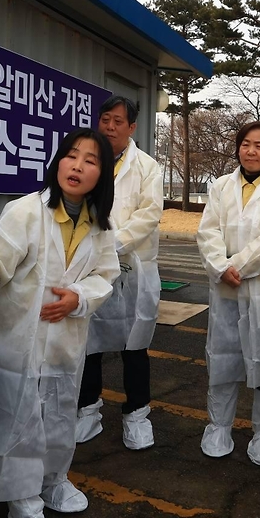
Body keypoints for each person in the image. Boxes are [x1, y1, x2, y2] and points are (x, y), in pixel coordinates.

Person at [0, 129, 120, 518]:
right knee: (17, 422)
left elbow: (106, 275)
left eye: (90, 160)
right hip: (17, 342)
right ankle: (22, 506)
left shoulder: (101, 226)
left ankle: (53, 480)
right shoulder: (25, 212)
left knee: (58, 417)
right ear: (57, 162)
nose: (77, 166)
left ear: (102, 174)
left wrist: (79, 297)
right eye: (71, 156)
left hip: (65, 345)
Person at [196, 121, 260, 466]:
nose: (251, 151)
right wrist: (218, 266)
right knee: (224, 359)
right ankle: (218, 426)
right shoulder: (222, 186)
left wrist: (235, 266)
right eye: (245, 144)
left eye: (259, 145)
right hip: (225, 289)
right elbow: (207, 231)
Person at [76, 96, 163, 450]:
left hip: (134, 269)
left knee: (134, 344)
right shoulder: (85, 160)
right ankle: (88, 411)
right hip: (87, 267)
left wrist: (111, 245)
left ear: (131, 127)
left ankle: (137, 414)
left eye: (118, 121)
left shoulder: (147, 167)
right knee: (88, 342)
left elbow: (149, 213)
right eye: (105, 119)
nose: (110, 126)